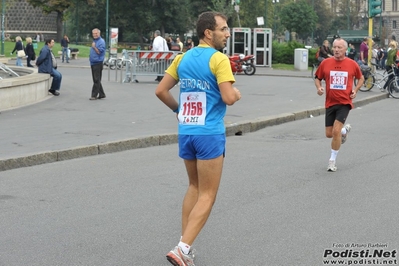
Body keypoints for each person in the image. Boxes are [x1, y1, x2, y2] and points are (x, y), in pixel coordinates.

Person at [155, 11, 241, 265]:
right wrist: (236, 93)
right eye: (223, 29)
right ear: (208, 32)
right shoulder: (218, 59)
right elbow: (227, 97)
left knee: (194, 187)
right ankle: (182, 248)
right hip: (209, 134)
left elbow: (161, 90)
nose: (227, 34)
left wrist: (178, 110)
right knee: (208, 194)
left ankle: (186, 245)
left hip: (187, 131)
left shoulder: (182, 58)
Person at [314, 38, 364, 172]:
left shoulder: (352, 64)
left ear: (345, 49)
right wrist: (319, 88)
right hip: (330, 102)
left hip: (345, 102)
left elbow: (361, 78)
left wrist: (355, 89)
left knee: (335, 131)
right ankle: (344, 131)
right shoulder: (326, 63)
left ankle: (332, 161)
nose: (336, 50)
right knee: (329, 134)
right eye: (334, 47)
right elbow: (317, 78)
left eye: (339, 48)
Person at [89, 28, 106, 100]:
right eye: (94, 34)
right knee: (97, 79)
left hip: (98, 62)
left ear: (99, 33)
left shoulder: (101, 41)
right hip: (93, 62)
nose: (95, 35)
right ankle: (101, 94)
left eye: (96, 33)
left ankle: (94, 95)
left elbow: (100, 52)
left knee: (96, 79)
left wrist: (94, 47)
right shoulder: (95, 41)